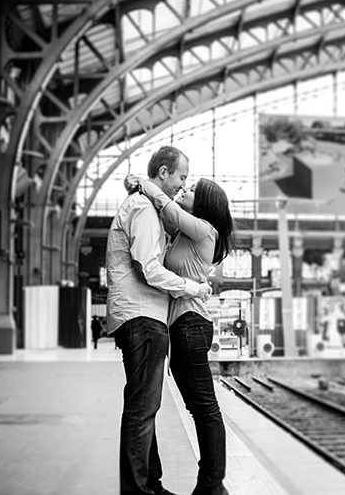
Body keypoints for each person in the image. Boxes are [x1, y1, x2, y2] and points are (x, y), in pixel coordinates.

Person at [106, 146, 211, 495]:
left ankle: (151, 483)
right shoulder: (143, 209)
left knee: (144, 405)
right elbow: (149, 269)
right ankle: (139, 490)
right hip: (142, 316)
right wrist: (193, 288)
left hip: (140, 316)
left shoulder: (144, 205)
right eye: (182, 176)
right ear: (163, 172)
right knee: (142, 408)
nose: (183, 185)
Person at [127, 174, 234, 495]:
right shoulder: (184, 234)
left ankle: (212, 485)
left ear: (204, 204)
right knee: (200, 408)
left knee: (205, 408)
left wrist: (145, 183)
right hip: (182, 327)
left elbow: (167, 207)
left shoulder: (204, 230)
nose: (185, 189)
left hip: (191, 325)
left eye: (192, 189)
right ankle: (211, 485)